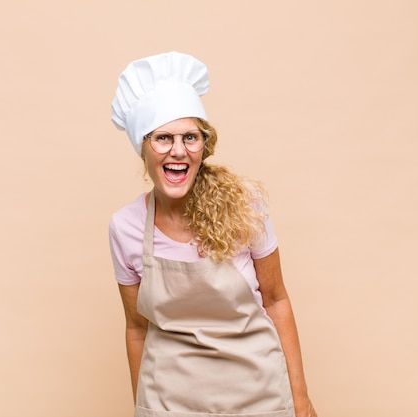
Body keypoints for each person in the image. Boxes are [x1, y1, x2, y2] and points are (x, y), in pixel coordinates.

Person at [109, 51, 317, 417]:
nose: (178, 150)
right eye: (163, 138)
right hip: (169, 404)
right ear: (143, 148)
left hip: (260, 398)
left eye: (191, 137)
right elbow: (137, 329)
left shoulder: (245, 206)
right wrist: (143, 408)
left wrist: (300, 401)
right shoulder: (125, 227)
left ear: (203, 146)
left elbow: (276, 301)